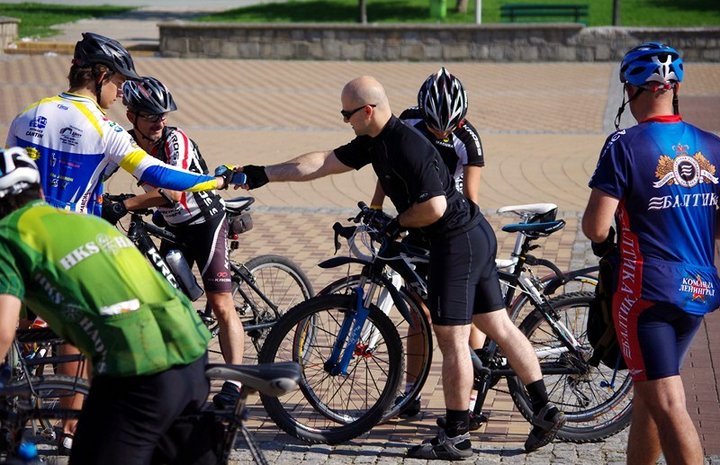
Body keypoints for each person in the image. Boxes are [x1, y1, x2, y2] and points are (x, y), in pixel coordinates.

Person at [236, 76, 565, 458]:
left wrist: (398, 222)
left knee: (454, 339)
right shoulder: (376, 140)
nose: (345, 121)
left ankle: (456, 435)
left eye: (348, 114)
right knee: (498, 326)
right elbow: (323, 162)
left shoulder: (407, 145)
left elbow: (435, 207)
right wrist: (263, 172)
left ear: (368, 111)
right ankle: (545, 408)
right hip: (472, 235)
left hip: (455, 242)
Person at [3, 32, 236, 451]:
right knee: (74, 335)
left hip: (22, 237)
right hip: (76, 244)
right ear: (101, 75)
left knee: (13, 328)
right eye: (119, 83)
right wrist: (217, 178)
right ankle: (70, 432)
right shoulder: (103, 128)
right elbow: (159, 175)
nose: (121, 92)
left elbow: (12, 183)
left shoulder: (26, 115)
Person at [0, 147, 219, 465]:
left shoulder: (8, 236)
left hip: (138, 367)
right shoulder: (88, 223)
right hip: (192, 353)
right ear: (40, 190)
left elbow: (4, 329)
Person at [582, 42, 720, 465]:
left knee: (668, 404)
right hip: (697, 290)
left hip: (647, 296)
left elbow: (595, 226)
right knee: (649, 396)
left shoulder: (624, 144)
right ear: (674, 88)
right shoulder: (712, 145)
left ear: (633, 90)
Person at [116, 76, 244, 407]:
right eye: (151, 116)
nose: (160, 121)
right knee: (165, 301)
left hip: (206, 223)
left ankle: (234, 383)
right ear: (131, 117)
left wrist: (124, 203)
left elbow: (171, 193)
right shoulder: (126, 142)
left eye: (164, 115)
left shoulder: (177, 142)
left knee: (219, 304)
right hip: (174, 228)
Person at [369, 67, 487, 421]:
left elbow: (471, 198)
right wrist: (377, 208)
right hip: (415, 221)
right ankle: (410, 394)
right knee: (418, 314)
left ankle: (469, 400)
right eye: (435, 124)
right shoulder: (407, 122)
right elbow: (384, 171)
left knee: (470, 317)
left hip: (448, 228)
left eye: (448, 126)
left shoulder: (469, 140)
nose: (441, 131)